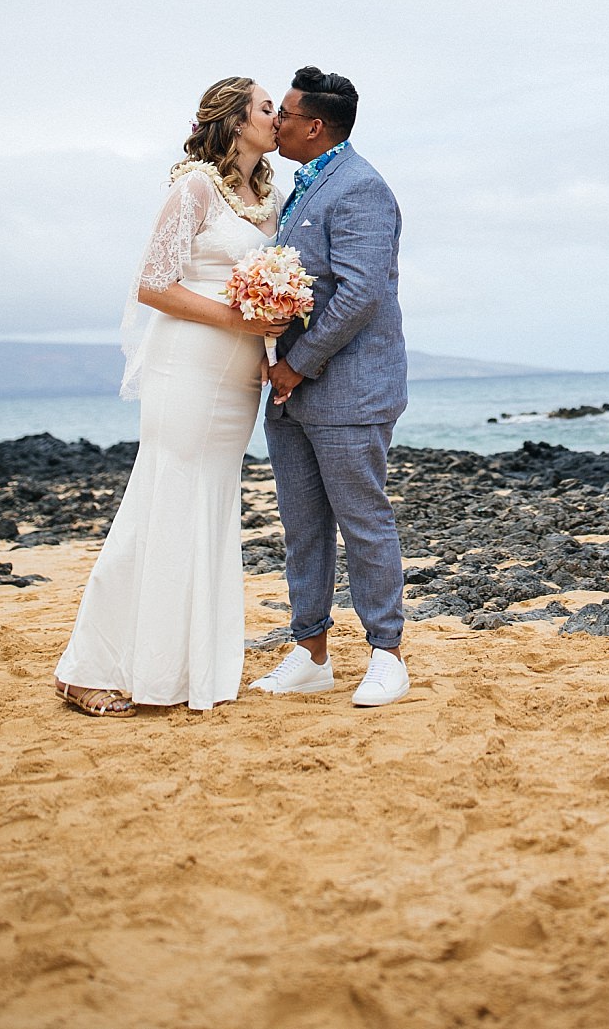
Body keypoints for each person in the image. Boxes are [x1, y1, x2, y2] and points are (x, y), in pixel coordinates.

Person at [52, 78, 289, 715]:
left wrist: (269, 346)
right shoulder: (194, 188)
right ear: (237, 122)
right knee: (162, 500)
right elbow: (153, 285)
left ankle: (182, 667)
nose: (280, 116)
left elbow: (264, 285)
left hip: (238, 374)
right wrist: (240, 320)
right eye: (268, 108)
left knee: (209, 506)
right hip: (186, 367)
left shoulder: (267, 199)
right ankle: (85, 667)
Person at [250, 66, 411, 708]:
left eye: (284, 114)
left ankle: (387, 656)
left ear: (315, 126)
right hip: (291, 392)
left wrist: (298, 362)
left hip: (348, 392)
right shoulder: (301, 186)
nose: (276, 123)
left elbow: (361, 292)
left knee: (363, 522)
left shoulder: (361, 188)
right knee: (302, 526)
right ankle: (311, 652)